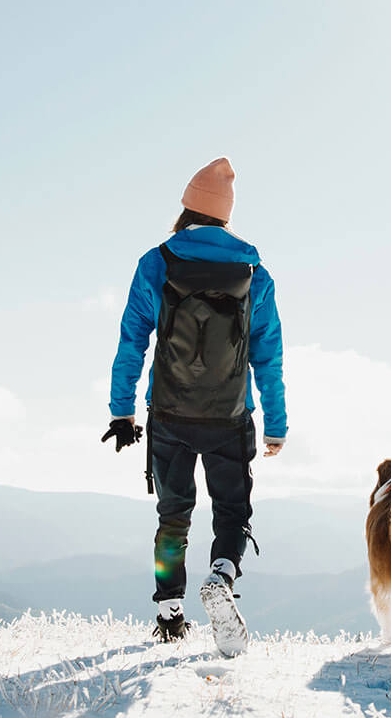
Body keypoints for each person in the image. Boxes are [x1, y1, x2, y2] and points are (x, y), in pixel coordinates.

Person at [103, 157, 286, 656]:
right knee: (232, 510)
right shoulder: (253, 272)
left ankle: (170, 612)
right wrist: (276, 423)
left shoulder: (157, 262)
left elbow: (132, 340)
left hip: (169, 413)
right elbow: (267, 352)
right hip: (230, 416)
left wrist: (122, 412)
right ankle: (222, 576)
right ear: (226, 215)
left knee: (173, 513)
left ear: (185, 209)